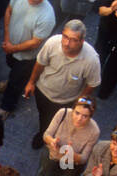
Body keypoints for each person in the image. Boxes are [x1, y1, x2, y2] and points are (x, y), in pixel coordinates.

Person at [23, 19, 100, 150]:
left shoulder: (91, 60)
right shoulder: (52, 43)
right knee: (43, 114)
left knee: (60, 121)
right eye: (65, 37)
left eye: (73, 40)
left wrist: (79, 102)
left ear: (81, 41)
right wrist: (31, 82)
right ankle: (44, 132)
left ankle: (50, 137)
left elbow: (92, 84)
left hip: (66, 100)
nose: (66, 43)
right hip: (43, 91)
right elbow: (40, 63)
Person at [29, 96, 98, 176]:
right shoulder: (63, 113)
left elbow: (84, 158)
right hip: (53, 154)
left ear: (90, 116)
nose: (79, 118)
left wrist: (71, 154)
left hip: (72, 163)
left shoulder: (94, 131)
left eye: (85, 116)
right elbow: (47, 134)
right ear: (73, 109)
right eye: (77, 113)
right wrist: (51, 141)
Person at [0, 0, 56, 118]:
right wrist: (7, 37)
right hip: (10, 46)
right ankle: (13, 82)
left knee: (17, 80)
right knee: (11, 65)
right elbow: (9, 10)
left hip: (27, 57)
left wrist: (12, 48)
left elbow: (35, 43)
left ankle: (7, 107)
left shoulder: (48, 16)